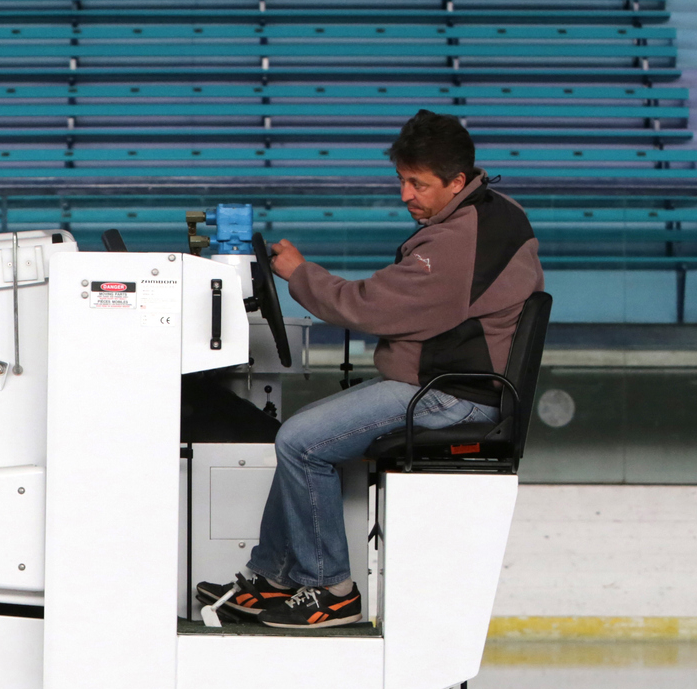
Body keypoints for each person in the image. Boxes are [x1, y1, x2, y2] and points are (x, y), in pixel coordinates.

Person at [198, 110, 544, 630]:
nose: (406, 194)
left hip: (452, 394)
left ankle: (329, 588)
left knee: (300, 441)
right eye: (402, 180)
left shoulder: (454, 244)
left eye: (418, 184)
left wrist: (300, 274)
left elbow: (367, 306)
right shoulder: (493, 211)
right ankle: (273, 575)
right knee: (301, 433)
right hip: (454, 381)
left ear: (456, 182)